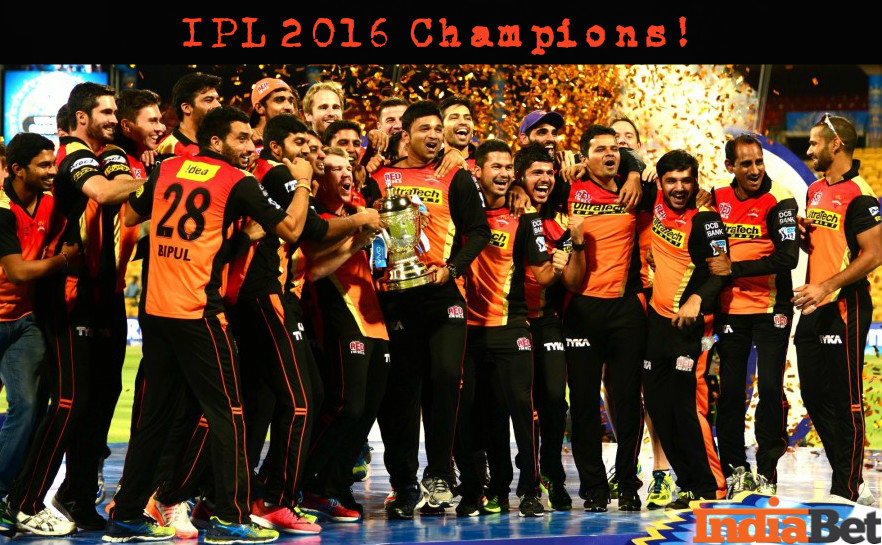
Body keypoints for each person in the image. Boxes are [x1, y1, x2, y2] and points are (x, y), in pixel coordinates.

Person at [104, 106, 317, 543]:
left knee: (154, 419)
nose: (251, 147)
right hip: (199, 311)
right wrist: (303, 182)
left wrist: (229, 236)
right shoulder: (237, 180)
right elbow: (294, 229)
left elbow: (129, 217)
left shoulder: (167, 168)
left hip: (157, 311)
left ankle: (125, 516)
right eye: (242, 139)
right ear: (216, 142)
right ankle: (229, 518)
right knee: (229, 415)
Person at [6, 83, 145, 535]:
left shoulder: (111, 154)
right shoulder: (71, 156)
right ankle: (24, 500)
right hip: (69, 294)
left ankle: (78, 496)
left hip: (106, 291)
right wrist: (155, 179)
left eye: (115, 112)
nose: (113, 119)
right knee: (69, 401)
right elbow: (105, 194)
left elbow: (128, 204)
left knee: (102, 400)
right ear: (81, 117)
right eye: (105, 112)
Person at [372, 100, 490, 519]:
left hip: (442, 294)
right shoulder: (380, 178)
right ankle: (404, 485)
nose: (435, 135)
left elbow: (479, 231)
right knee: (402, 393)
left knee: (446, 379)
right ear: (405, 135)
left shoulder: (455, 176)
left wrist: (452, 269)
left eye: (438, 129)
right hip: (395, 296)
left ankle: (439, 475)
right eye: (425, 128)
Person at [455, 140, 569, 517]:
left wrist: (567, 256)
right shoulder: (461, 211)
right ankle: (493, 489)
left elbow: (543, 275)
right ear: (478, 172)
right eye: (496, 167)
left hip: (511, 326)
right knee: (483, 414)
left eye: (508, 168)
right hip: (468, 330)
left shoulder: (527, 217)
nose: (503, 174)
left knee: (523, 408)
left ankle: (530, 489)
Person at [792, 114, 882, 505]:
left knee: (847, 399)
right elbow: (827, 243)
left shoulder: (861, 194)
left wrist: (827, 285)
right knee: (813, 395)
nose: (808, 149)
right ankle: (848, 473)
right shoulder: (814, 190)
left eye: (814, 143)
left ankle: (844, 488)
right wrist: (803, 235)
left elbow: (874, 254)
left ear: (836, 145)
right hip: (815, 305)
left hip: (846, 304)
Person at [299, 149, 388, 522]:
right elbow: (313, 270)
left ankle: (330, 488)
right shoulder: (317, 220)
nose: (346, 175)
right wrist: (356, 241)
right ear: (319, 179)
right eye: (335, 169)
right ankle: (296, 482)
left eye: (348, 168)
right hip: (341, 317)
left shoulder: (360, 213)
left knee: (365, 413)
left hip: (375, 321)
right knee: (345, 407)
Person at [707, 134, 798, 497]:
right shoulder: (716, 197)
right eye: (746, 163)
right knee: (730, 392)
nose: (755, 169)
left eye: (759, 161)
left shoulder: (781, 198)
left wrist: (734, 268)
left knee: (771, 389)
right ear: (730, 166)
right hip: (730, 310)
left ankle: (768, 469)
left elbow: (788, 257)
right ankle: (735, 469)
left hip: (772, 308)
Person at [562, 125, 647, 512]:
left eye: (614, 149)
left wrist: (635, 171)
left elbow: (676, 186)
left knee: (627, 400)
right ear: (583, 158)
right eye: (600, 150)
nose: (610, 154)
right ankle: (594, 487)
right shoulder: (568, 187)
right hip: (581, 309)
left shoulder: (636, 190)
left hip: (625, 309)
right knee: (582, 404)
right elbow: (532, 182)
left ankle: (627, 483)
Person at [0, 134, 78, 538]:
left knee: (29, 407)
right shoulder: (1, 210)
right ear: (18, 170)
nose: (52, 172)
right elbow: (17, 272)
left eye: (53, 163)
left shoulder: (50, 203)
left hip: (23, 320)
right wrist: (63, 260)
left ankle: (2, 495)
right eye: (44, 165)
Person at [642, 150, 729, 509]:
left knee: (686, 408)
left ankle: (710, 486)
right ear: (661, 182)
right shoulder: (654, 200)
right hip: (656, 323)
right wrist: (634, 174)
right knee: (658, 406)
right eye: (671, 181)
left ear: (696, 181)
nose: (679, 188)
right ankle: (688, 485)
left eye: (686, 180)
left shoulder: (707, 219)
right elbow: (625, 156)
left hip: (689, 327)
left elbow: (721, 270)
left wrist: (696, 300)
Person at [607, 116, 674, 509]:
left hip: (650, 294)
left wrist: (641, 172)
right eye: (613, 138)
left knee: (652, 385)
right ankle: (625, 461)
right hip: (612, 298)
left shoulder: (653, 182)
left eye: (627, 137)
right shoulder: (593, 183)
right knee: (614, 385)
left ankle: (662, 470)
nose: (620, 144)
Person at [515, 142, 581, 511]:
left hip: (548, 321)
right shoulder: (504, 212)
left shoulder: (560, 221)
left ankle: (552, 473)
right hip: (509, 321)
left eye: (549, 173)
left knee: (555, 400)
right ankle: (511, 479)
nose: (545, 179)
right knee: (514, 403)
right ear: (519, 178)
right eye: (536, 173)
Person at [157, 72, 223, 156]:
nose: (218, 105)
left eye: (218, 100)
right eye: (209, 100)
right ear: (186, 108)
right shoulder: (167, 149)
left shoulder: (221, 145)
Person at [249, 77, 298, 151]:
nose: (289, 107)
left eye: (291, 101)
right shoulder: (247, 141)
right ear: (259, 107)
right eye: (279, 100)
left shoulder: (298, 140)